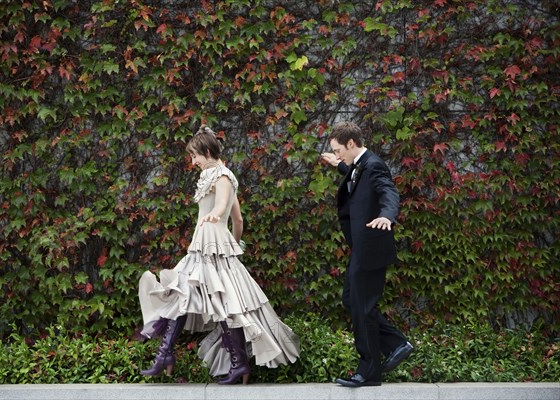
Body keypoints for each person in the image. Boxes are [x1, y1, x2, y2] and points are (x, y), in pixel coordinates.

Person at [138, 125, 299, 384]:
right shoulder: (214, 175)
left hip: (211, 248)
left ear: (209, 151)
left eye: (195, 156)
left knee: (222, 306)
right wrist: (232, 243)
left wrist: (216, 219)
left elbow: (224, 205)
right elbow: (238, 219)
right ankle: (167, 355)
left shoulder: (222, 176)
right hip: (207, 247)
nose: (193, 161)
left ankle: (236, 364)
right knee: (185, 296)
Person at [321, 121, 413, 387]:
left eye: (338, 151)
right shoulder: (359, 164)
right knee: (352, 300)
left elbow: (388, 191)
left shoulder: (374, 165)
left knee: (362, 306)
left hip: (371, 247)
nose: (338, 155)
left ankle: (368, 372)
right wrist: (337, 165)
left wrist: (386, 215)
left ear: (351, 143)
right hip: (361, 247)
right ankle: (396, 343)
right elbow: (353, 173)